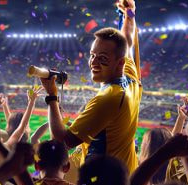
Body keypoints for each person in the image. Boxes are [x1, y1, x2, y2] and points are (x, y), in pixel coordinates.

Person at [39, 0, 142, 174]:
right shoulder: (130, 76)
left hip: (105, 184)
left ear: (119, 63)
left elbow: (63, 141)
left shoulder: (108, 97)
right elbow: (127, 39)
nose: (93, 62)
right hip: (125, 174)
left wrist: (51, 96)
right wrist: (130, 14)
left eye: (102, 58)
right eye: (92, 55)